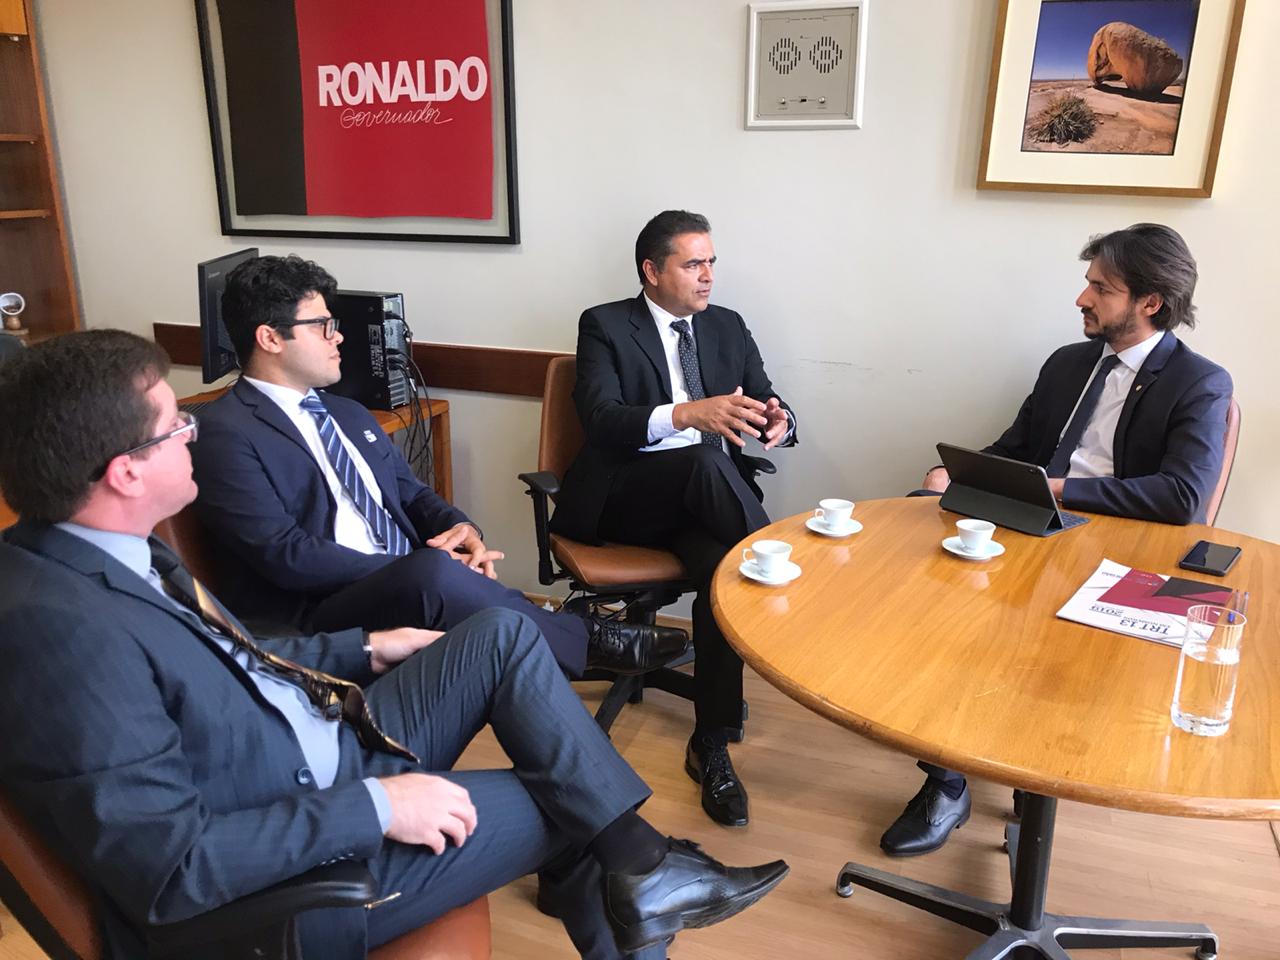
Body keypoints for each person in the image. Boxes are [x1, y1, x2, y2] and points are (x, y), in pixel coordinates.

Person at [0, 330, 789, 959]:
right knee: (578, 802)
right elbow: (172, 870)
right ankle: (645, 874)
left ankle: (643, 875)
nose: (192, 434)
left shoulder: (115, 546)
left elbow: (230, 667)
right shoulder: (63, 637)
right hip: (280, 883)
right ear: (125, 473)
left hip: (314, 751)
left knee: (502, 634)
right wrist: (376, 806)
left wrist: (364, 648)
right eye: (176, 426)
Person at [881, 223, 1233, 857]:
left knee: (1016, 628)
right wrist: (955, 473)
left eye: (1101, 288)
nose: (1082, 298)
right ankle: (947, 782)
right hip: (1035, 527)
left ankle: (1031, 774)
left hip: (1123, 552)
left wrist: (1060, 490)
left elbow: (1182, 497)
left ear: (1150, 302)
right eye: (1087, 282)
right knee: (933, 591)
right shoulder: (1067, 364)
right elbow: (1015, 449)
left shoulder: (1200, 382)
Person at [189, 255, 686, 681]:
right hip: (318, 608)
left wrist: (461, 530)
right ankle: (585, 638)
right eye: (321, 325)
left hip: (405, 579)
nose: (337, 336)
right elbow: (284, 554)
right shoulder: (223, 432)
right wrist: (408, 568)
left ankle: (564, 642)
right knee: (441, 579)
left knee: (503, 641)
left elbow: (411, 494)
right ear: (270, 338)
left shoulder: (348, 413)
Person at [551, 211, 797, 827]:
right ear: (652, 271)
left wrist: (779, 420)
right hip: (626, 498)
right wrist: (687, 415)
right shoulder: (605, 324)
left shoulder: (728, 326)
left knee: (721, 570)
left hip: (701, 506)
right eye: (693, 264)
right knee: (705, 463)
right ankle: (789, 582)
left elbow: (765, 395)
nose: (708, 275)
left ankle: (711, 743)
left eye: (711, 262)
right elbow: (602, 420)